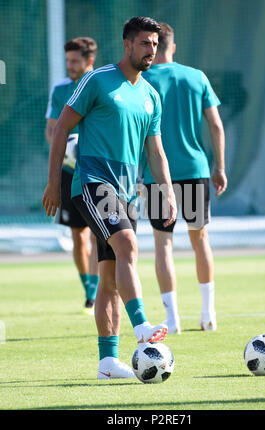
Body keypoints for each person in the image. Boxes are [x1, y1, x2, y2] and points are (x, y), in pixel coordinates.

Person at [42, 17, 177, 379]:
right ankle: (143, 327)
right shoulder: (97, 80)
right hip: (92, 181)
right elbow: (60, 131)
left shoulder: (151, 95)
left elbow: (156, 152)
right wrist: (54, 183)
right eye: (144, 43)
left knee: (109, 276)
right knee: (128, 246)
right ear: (127, 44)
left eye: (154, 44)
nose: (150, 50)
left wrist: (165, 192)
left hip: (126, 191)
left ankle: (107, 362)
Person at [142, 23, 227, 334]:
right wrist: (219, 167)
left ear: (152, 47)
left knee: (163, 244)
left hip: (156, 176)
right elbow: (216, 126)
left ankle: (172, 320)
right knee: (200, 239)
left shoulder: (142, 79)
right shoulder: (196, 76)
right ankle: (208, 314)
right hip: (194, 169)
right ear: (173, 47)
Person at [45, 37, 100, 315]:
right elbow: (51, 130)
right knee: (78, 237)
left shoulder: (100, 84)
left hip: (97, 169)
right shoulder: (60, 90)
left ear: (89, 61)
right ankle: (88, 289)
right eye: (68, 61)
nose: (70, 66)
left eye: (75, 61)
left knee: (97, 235)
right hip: (68, 172)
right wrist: (66, 148)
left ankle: (95, 294)